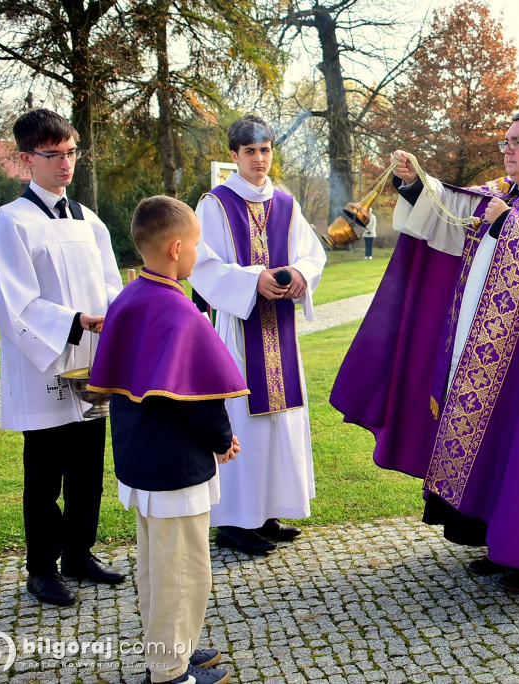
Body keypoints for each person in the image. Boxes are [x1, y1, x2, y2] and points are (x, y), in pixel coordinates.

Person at [330, 110, 519, 593]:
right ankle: (498, 540)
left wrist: (512, 228)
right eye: (505, 141)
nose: (507, 150)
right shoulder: (500, 192)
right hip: (482, 352)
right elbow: (451, 217)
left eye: (518, 143)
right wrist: (415, 185)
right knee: (493, 442)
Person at [89, 196, 248, 684]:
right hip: (175, 467)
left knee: (158, 566)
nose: (198, 253)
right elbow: (199, 399)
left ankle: (178, 644)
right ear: (178, 248)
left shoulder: (130, 298)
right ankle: (169, 671)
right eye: (197, 245)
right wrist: (223, 440)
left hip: (141, 458)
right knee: (183, 571)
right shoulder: (178, 314)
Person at [0, 109, 125, 606]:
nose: (66, 164)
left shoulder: (89, 220)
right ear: (26, 159)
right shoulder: (12, 221)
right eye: (53, 154)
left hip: (91, 363)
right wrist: (70, 322)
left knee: (88, 466)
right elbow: (8, 297)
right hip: (44, 362)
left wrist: (104, 314)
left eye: (70, 152)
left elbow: (112, 281)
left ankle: (79, 554)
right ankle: (42, 568)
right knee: (45, 474)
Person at [189, 115, 327, 555]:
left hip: (280, 334)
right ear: (234, 155)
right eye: (249, 151)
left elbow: (312, 253)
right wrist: (253, 281)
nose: (259, 159)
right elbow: (201, 264)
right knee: (242, 421)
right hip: (237, 332)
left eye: (265, 150)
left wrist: (301, 275)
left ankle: (267, 513)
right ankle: (233, 522)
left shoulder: (286, 203)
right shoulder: (215, 204)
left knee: (280, 425)